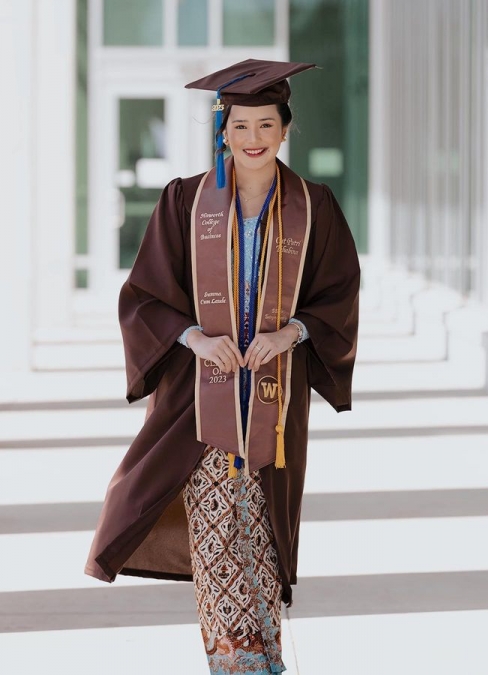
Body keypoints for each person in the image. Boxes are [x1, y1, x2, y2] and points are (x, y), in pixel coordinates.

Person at [85, 59, 360, 675]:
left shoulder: (313, 207)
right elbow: (146, 294)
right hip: (198, 400)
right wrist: (191, 339)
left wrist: (293, 332)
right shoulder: (184, 200)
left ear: (285, 129)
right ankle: (237, 664)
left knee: (259, 534)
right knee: (213, 534)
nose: (254, 137)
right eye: (241, 125)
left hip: (274, 400)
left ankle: (266, 658)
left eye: (266, 123)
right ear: (224, 131)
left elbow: (339, 292)